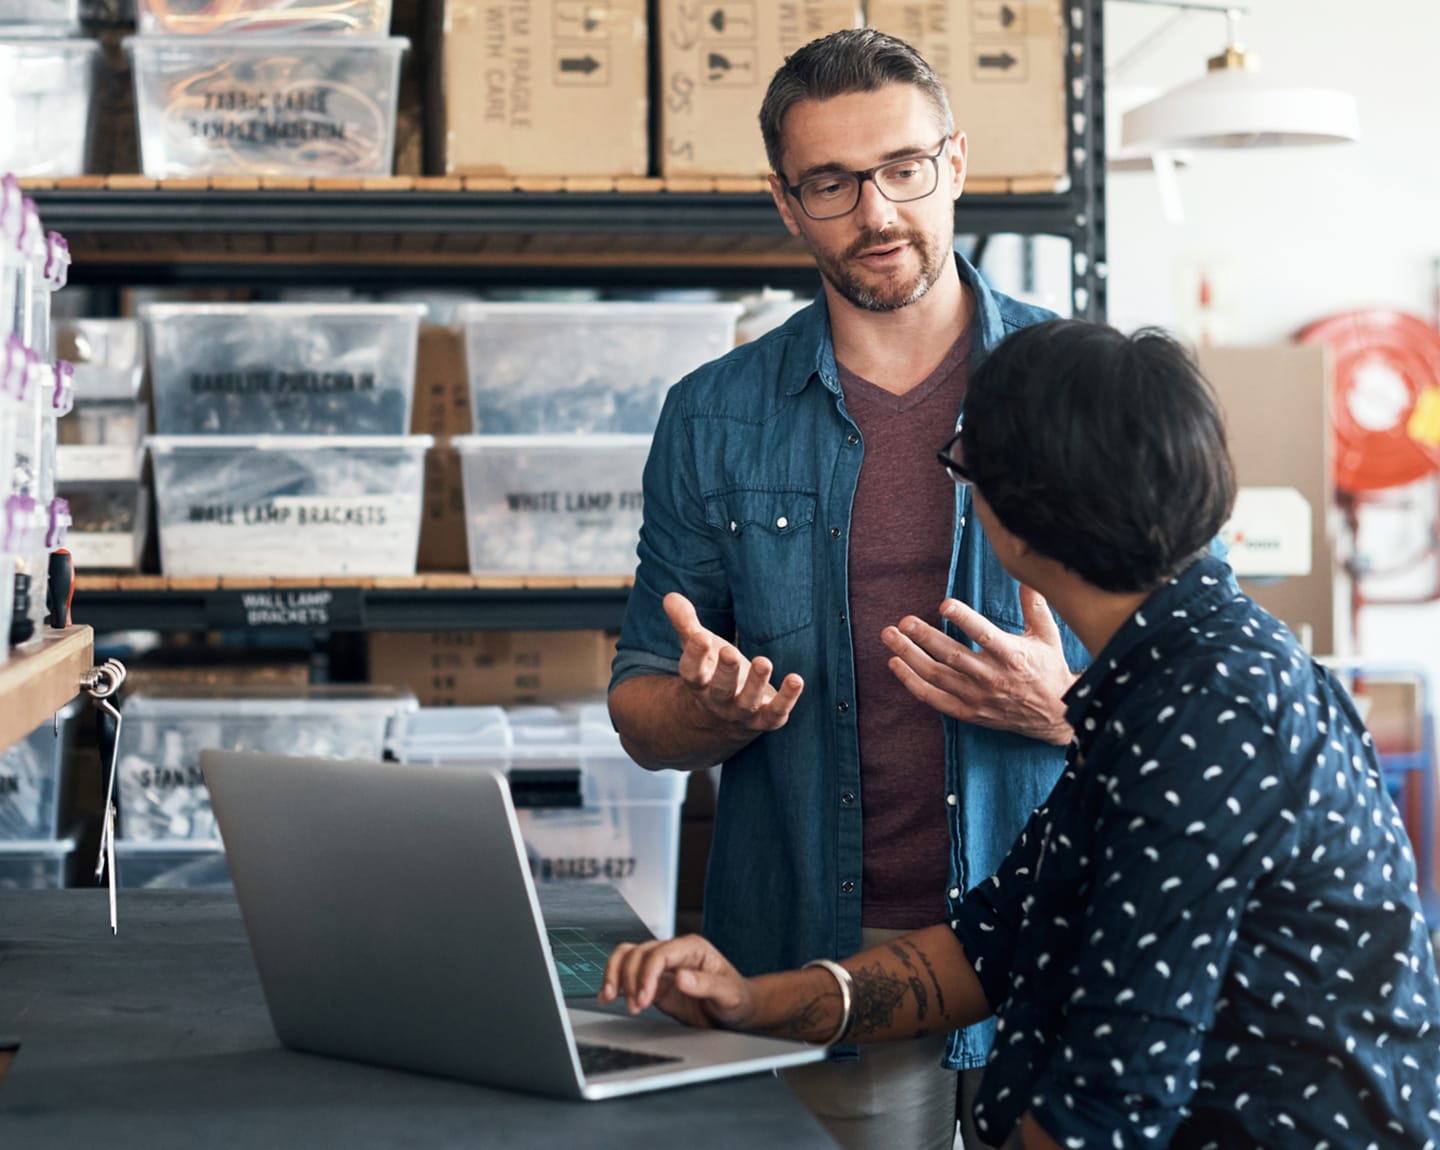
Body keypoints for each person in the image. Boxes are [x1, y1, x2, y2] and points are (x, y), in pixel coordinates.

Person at [601, 319, 1440, 1150]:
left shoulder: (1205, 720)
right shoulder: (1167, 677)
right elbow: (989, 944)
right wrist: (755, 1001)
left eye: (964, 464)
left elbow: (1102, 1113)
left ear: (1022, 521)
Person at [608, 29, 1086, 1149]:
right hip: (820, 964)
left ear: (955, 164)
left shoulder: (1084, 388)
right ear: (787, 202)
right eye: (832, 183)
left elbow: (1218, 684)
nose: (876, 212)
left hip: (1064, 939)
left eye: (904, 169)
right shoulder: (713, 414)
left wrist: (1064, 705)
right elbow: (639, 708)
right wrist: (705, 714)